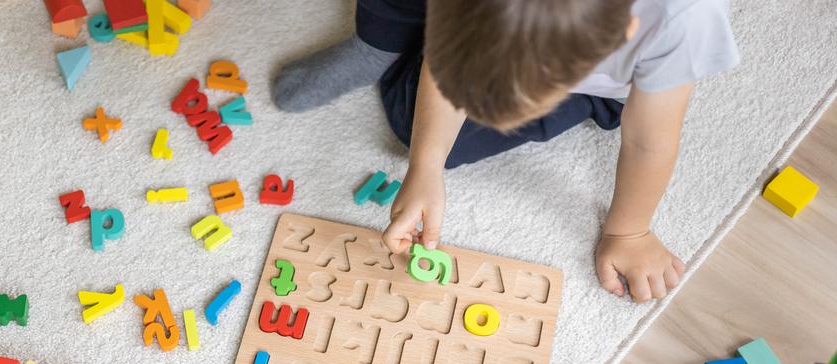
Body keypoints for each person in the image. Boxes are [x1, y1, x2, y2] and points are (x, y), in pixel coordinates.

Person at [272, 0, 739, 302]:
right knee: (428, 129)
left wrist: (629, 233)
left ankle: (574, 94)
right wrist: (425, 163)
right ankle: (378, 43)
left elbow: (649, 140)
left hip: (609, 82)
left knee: (419, 124)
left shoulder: (682, 19)